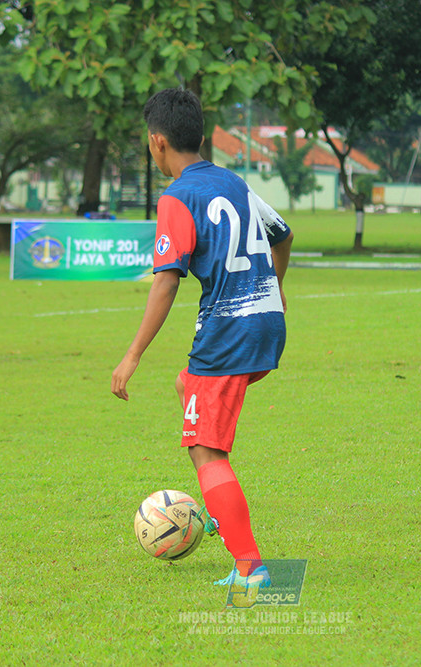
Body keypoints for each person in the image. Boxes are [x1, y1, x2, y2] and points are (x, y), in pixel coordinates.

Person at [111, 87, 293, 588]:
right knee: (185, 385)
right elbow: (282, 235)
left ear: (157, 142)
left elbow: (166, 281)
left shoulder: (176, 197)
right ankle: (218, 510)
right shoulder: (233, 181)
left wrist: (131, 355)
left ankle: (250, 567)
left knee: (206, 450)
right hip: (266, 322)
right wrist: (274, 289)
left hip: (228, 329)